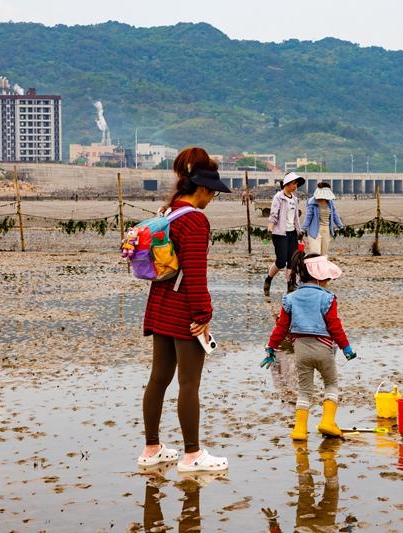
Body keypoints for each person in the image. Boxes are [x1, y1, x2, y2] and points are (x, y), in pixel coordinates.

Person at [138, 147, 230, 472]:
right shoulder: (194, 220)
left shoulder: (170, 210)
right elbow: (195, 272)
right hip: (183, 310)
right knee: (189, 383)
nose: (213, 199)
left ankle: (151, 449)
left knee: (158, 378)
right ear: (202, 189)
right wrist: (203, 315)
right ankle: (192, 455)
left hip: (160, 303)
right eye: (213, 193)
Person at [262, 251, 357, 440]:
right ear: (320, 278)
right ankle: (327, 422)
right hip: (324, 350)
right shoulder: (327, 298)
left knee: (304, 391)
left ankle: (299, 430)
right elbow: (334, 326)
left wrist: (271, 348)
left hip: (301, 352)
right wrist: (346, 348)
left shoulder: (291, 298)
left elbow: (281, 327)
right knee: (331, 383)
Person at [264, 172, 306, 295]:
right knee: (281, 261)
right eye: (294, 183)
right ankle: (268, 279)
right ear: (287, 184)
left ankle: (290, 285)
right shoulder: (278, 197)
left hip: (292, 233)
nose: (295, 186)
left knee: (291, 261)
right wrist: (270, 228)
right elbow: (274, 214)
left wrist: (300, 235)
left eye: (296, 184)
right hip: (279, 234)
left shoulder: (295, 199)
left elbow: (296, 219)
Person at [301, 182, 345, 256]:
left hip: (326, 230)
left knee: (324, 254)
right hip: (314, 231)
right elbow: (308, 217)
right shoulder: (312, 202)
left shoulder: (330, 202)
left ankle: (323, 267)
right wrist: (303, 229)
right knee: (315, 254)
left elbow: (335, 215)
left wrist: (341, 226)